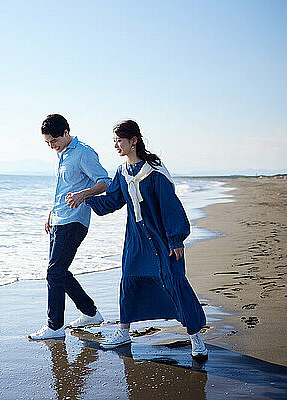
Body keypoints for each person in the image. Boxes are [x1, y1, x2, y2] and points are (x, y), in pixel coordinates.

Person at [72, 120, 208, 358]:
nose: (116, 145)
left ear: (133, 140)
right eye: (113, 141)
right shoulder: (122, 172)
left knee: (174, 281)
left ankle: (195, 337)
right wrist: (85, 197)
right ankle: (123, 333)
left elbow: (170, 205)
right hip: (136, 240)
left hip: (161, 239)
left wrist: (176, 239)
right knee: (130, 281)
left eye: (119, 140)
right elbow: (112, 202)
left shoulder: (154, 170)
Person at [28, 114, 112, 340]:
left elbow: (105, 182)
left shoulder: (84, 152)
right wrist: (50, 213)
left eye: (53, 141)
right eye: (47, 143)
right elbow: (63, 188)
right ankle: (90, 313)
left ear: (66, 133)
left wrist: (83, 195)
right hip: (58, 220)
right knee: (60, 272)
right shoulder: (63, 153)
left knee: (53, 273)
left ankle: (54, 327)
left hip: (75, 221)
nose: (51, 146)